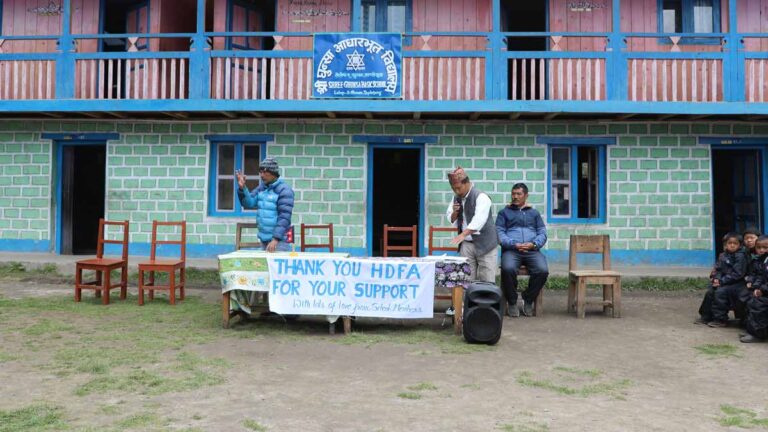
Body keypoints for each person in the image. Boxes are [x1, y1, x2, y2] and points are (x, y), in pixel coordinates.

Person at [495, 183, 548, 317]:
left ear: (526, 195)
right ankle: (512, 301)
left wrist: (534, 244)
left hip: (532, 250)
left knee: (542, 270)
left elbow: (542, 232)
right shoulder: (504, 213)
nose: (515, 197)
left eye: (519, 194)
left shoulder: (534, 213)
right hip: (512, 250)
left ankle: (528, 299)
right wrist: (514, 244)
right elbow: (499, 233)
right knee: (507, 269)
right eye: (513, 194)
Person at [445, 166, 498, 283]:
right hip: (467, 245)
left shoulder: (481, 197)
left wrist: (463, 234)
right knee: (466, 279)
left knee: (487, 280)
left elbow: (479, 220)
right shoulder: (456, 197)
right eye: (453, 189)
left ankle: (487, 301)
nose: (456, 191)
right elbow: (450, 218)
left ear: (467, 183)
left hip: (486, 244)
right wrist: (455, 212)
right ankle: (468, 302)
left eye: (458, 188)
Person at [236, 157, 295, 252]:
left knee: (276, 266)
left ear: (273, 173)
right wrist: (242, 188)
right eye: (260, 172)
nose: (261, 175)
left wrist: (275, 239)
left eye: (264, 172)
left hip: (279, 242)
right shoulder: (262, 188)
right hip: (264, 240)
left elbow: (284, 217)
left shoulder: (284, 190)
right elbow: (248, 203)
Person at [696, 232, 747, 327]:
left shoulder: (740, 256)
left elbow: (737, 274)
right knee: (710, 292)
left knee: (720, 292)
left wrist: (722, 281)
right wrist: (716, 279)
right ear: (725, 244)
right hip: (723, 281)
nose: (732, 245)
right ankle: (706, 316)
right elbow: (718, 269)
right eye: (729, 243)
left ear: (739, 245)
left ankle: (720, 319)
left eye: (735, 243)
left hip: (736, 282)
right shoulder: (723, 255)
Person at [741, 236, 768, 343]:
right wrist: (756, 287)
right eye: (759, 247)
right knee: (749, 299)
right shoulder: (762, 259)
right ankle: (752, 330)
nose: (762, 250)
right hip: (764, 290)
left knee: (758, 304)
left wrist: (762, 290)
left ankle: (758, 334)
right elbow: (760, 276)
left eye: (765, 247)